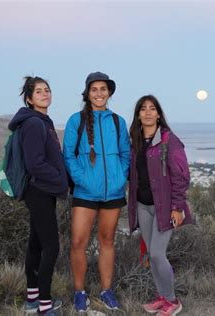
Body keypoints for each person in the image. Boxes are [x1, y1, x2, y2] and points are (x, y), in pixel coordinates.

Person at [63, 72, 131, 313]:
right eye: (94, 90)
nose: (99, 93)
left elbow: (126, 154)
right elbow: (68, 155)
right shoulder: (76, 120)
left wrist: (120, 178)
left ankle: (106, 290)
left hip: (112, 193)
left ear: (109, 92)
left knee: (107, 242)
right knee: (78, 241)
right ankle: (80, 292)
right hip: (85, 192)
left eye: (103, 89)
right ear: (88, 93)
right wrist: (83, 180)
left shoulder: (117, 122)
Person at [8, 76, 69, 315]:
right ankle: (45, 304)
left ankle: (32, 298)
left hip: (41, 191)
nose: (45, 94)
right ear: (29, 98)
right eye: (39, 91)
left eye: (47, 90)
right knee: (51, 247)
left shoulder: (41, 120)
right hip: (40, 190)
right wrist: (59, 178)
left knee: (36, 242)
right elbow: (35, 164)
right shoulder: (34, 123)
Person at [127, 95, 192, 316]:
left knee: (157, 254)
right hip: (142, 206)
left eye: (152, 108)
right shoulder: (134, 141)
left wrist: (177, 207)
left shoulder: (168, 140)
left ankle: (173, 301)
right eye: (143, 109)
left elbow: (182, 176)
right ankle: (162, 296)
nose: (147, 112)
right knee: (151, 256)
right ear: (138, 114)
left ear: (158, 114)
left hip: (164, 207)